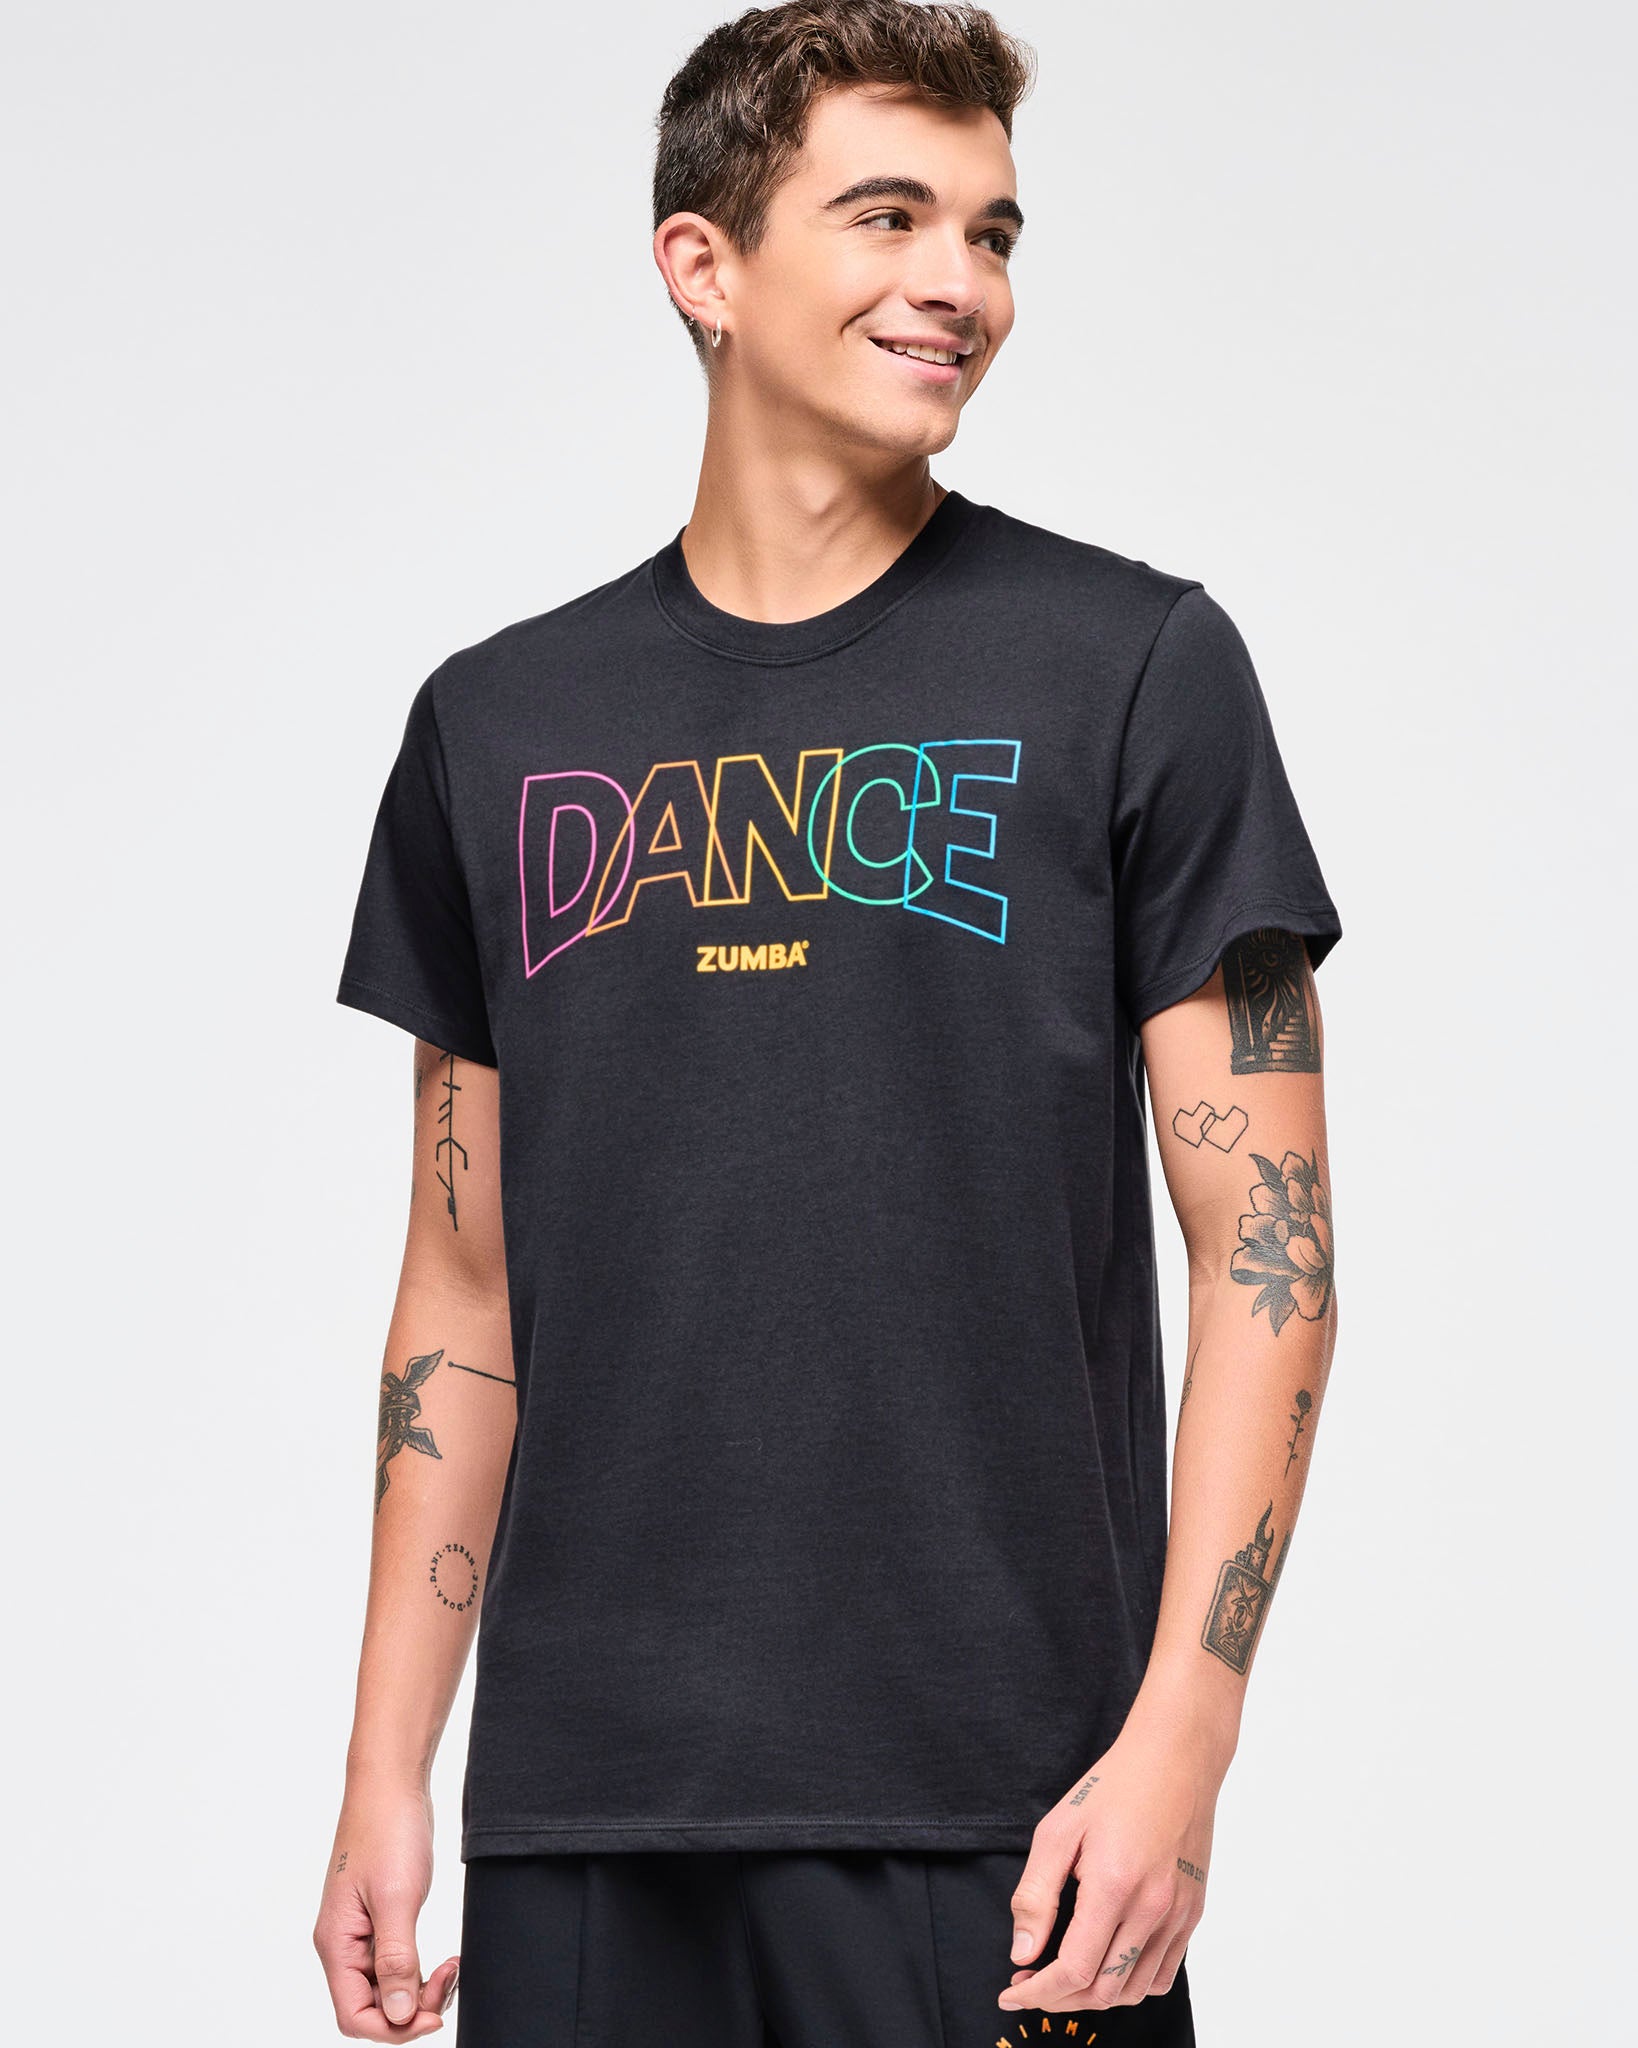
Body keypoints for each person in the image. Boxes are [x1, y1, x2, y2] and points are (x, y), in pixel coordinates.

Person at [311, 3, 1343, 2041]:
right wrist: (385, 1769)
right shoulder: (497, 727)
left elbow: (1271, 1252)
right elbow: (461, 1288)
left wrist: (1182, 1743)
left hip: (1012, 1814)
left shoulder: (1133, 669)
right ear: (704, 263)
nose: (960, 282)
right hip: (588, 1819)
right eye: (889, 216)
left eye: (993, 232)